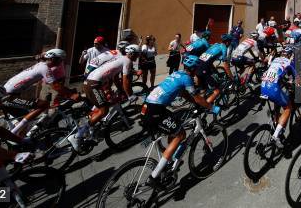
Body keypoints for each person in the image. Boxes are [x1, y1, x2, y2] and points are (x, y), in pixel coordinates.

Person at [142, 55, 220, 188]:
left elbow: (183, 93)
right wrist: (212, 107)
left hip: (148, 106)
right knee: (181, 134)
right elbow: (197, 98)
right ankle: (153, 177)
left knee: (175, 124)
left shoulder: (177, 73)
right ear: (194, 68)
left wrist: (194, 103)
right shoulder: (187, 78)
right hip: (156, 110)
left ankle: (168, 159)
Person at [71, 44, 141, 148]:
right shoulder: (127, 61)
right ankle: (78, 135)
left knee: (104, 103)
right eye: (137, 54)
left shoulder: (120, 58)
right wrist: (130, 95)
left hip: (91, 81)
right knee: (104, 111)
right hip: (94, 84)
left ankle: (91, 128)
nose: (137, 57)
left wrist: (121, 90)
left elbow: (116, 79)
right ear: (132, 53)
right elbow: (125, 81)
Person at [2, 49, 75, 135]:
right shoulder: (45, 68)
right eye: (60, 59)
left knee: (32, 111)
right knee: (42, 106)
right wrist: (72, 94)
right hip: (9, 96)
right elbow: (56, 86)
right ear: (52, 59)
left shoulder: (41, 64)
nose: (62, 61)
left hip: (8, 93)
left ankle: (20, 134)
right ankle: (17, 140)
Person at [260, 46, 296, 148]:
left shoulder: (275, 60)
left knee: (277, 104)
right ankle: (275, 136)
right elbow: (296, 79)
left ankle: (276, 124)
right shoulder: (289, 62)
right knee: (288, 108)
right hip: (273, 89)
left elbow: (276, 74)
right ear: (290, 55)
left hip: (263, 86)